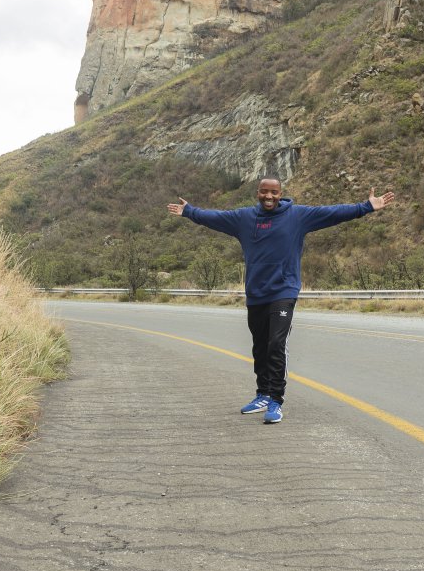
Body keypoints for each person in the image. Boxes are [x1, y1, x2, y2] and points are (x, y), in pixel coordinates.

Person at [167, 176, 395, 424]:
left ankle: (276, 399)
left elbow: (332, 213)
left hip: (284, 291)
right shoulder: (244, 219)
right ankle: (262, 394)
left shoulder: (297, 216)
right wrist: (189, 211)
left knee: (276, 344)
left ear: (281, 193)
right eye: (264, 192)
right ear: (257, 193)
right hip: (256, 293)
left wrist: (367, 206)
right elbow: (215, 218)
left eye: (274, 193)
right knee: (260, 347)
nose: (269, 197)